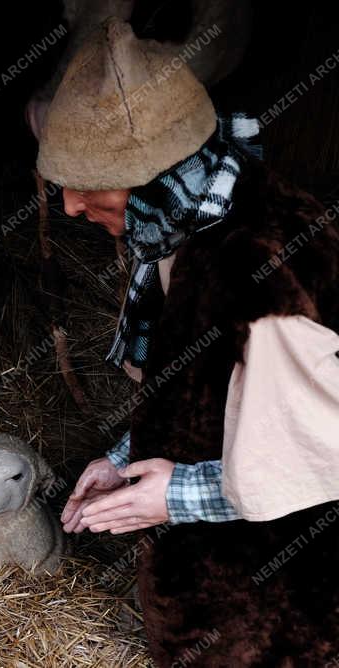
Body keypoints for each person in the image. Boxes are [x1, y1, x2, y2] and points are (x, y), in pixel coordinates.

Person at [41, 19, 339, 666]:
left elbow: (317, 457)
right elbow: (200, 387)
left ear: (149, 173)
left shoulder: (257, 274)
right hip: (208, 602)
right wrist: (127, 456)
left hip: (270, 613)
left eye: (88, 181)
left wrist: (168, 496)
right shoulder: (186, 226)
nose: (68, 206)